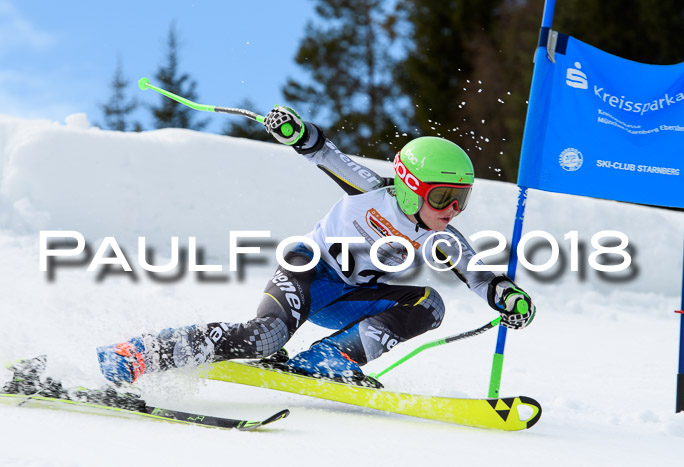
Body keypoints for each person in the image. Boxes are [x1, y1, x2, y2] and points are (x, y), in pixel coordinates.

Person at [96, 106, 536, 386]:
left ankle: (328, 357)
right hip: (307, 272)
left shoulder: (443, 236)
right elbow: (322, 152)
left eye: (462, 200)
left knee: (431, 304)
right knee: (266, 336)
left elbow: (482, 277)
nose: (453, 209)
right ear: (409, 188)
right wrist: (294, 129)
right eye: (443, 197)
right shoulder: (370, 190)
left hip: (348, 298)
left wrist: (508, 297)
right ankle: (138, 352)